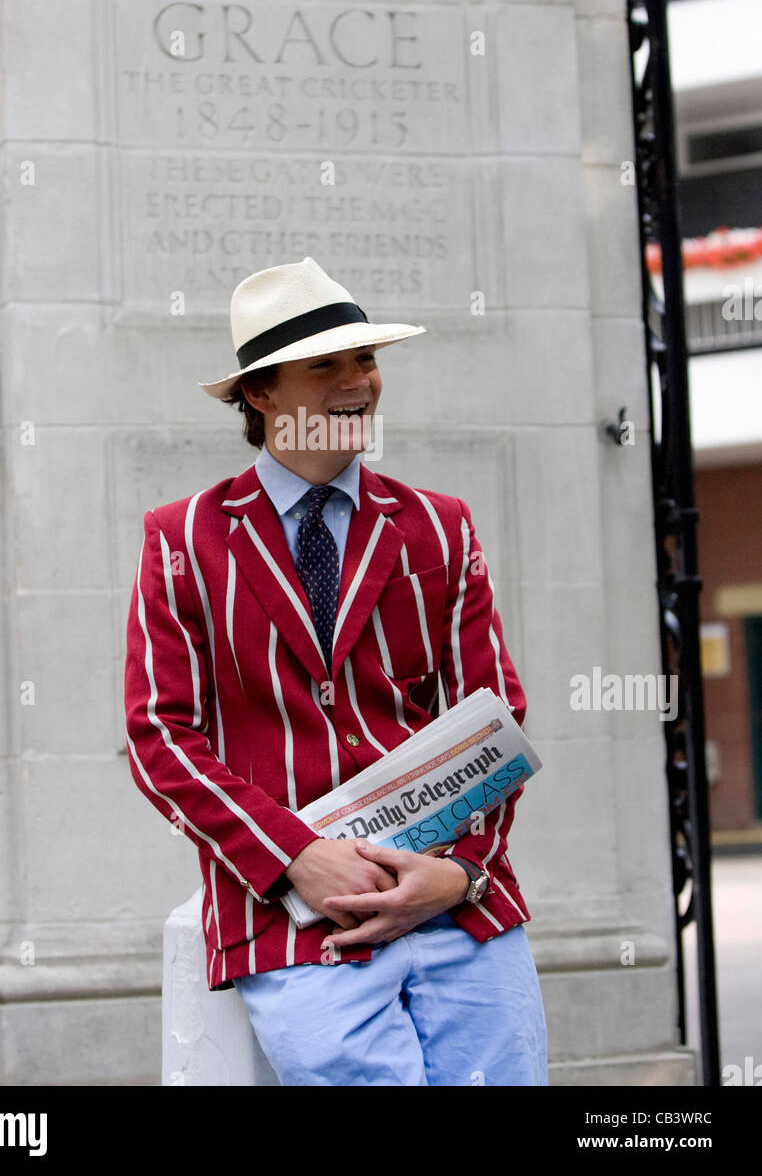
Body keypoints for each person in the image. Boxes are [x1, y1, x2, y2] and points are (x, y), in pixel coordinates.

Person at [124, 255, 548, 1086]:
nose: (361, 381)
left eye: (367, 359)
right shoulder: (182, 538)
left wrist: (460, 869)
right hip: (291, 918)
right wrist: (295, 858)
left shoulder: (440, 526)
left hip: (459, 902)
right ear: (260, 393)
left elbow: (494, 720)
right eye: (328, 364)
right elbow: (158, 738)